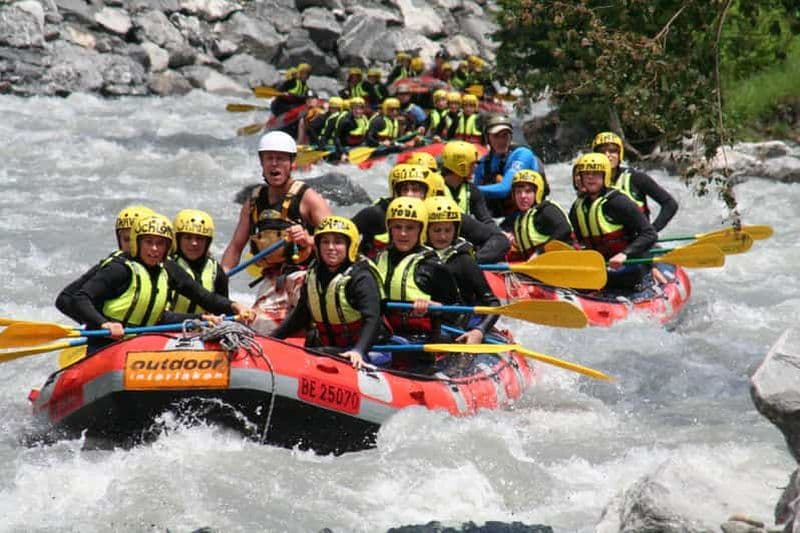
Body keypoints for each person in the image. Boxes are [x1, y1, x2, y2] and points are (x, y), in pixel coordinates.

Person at [68, 214, 253, 355]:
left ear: (168, 247)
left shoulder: (168, 270)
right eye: (148, 242)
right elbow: (80, 297)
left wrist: (234, 306)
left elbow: (203, 296)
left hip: (144, 345)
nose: (154, 249)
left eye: (160, 243)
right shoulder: (120, 269)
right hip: (107, 344)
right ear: (137, 243)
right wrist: (104, 324)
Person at [221, 131, 331, 332]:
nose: (274, 164)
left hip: (306, 277)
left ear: (291, 163)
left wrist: (308, 239)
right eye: (269, 158)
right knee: (255, 326)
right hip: (273, 281)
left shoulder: (309, 198)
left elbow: (339, 241)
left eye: (280, 159)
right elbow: (235, 247)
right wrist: (221, 277)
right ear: (262, 163)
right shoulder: (253, 202)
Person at [272, 216, 390, 369]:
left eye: (338, 242)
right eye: (325, 242)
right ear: (318, 245)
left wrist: (358, 351)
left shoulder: (361, 277)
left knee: (325, 353)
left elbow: (373, 319)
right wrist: (273, 338)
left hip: (367, 349)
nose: (331, 248)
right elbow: (301, 315)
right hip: (330, 347)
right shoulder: (314, 274)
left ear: (350, 245)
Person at [353, 163, 510, 263]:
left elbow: (498, 239)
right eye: (404, 189)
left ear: (427, 193)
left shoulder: (443, 214)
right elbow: (345, 233)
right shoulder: (377, 214)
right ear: (395, 193)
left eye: (416, 190)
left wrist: (473, 261)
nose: (409, 195)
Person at [375, 197, 459, 366]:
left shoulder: (433, 265)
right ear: (389, 228)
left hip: (420, 340)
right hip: (383, 334)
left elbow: (456, 310)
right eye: (397, 227)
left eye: (410, 228)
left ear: (421, 229)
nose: (403, 233)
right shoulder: (378, 258)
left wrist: (435, 308)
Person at [569, 153, 657, 290]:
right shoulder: (578, 207)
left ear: (605, 176)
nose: (590, 177)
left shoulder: (619, 202)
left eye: (596, 173)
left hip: (629, 269)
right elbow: (577, 241)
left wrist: (624, 254)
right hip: (599, 270)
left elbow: (649, 233)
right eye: (586, 174)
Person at [56, 205, 154, 323]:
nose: (131, 245)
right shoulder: (115, 267)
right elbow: (64, 299)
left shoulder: (163, 267)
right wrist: (101, 323)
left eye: (136, 239)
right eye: (126, 239)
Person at [423, 196, 500, 344]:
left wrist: (479, 331)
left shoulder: (464, 261)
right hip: (428, 322)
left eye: (448, 230)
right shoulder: (415, 258)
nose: (443, 236)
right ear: (425, 230)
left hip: (459, 325)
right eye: (437, 230)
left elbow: (493, 304)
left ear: (456, 230)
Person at [592, 131, 678, 232]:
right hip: (607, 240)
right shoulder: (589, 183)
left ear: (620, 154)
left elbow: (670, 204)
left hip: (639, 240)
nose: (607, 155)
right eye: (602, 152)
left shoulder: (637, 178)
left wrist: (652, 230)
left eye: (612, 151)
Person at [473, 114, 546, 218]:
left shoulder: (522, 154)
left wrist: (469, 189)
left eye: (505, 135)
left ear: (510, 137)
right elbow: (474, 196)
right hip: (496, 217)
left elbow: (505, 189)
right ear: (487, 138)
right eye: (496, 136)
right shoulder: (483, 163)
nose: (501, 140)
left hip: (528, 215)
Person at [500, 169, 574, 260]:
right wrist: (504, 235)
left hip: (559, 261)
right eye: (518, 192)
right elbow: (498, 230)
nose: (523, 196)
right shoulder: (516, 217)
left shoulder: (546, 210)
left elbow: (565, 229)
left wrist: (539, 252)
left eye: (528, 191)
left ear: (537, 193)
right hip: (532, 264)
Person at [169, 209, 229, 313]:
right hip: (171, 322)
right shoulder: (167, 266)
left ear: (207, 242)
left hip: (206, 323)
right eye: (188, 238)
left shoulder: (216, 271)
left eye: (200, 239)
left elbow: (223, 309)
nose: (194, 243)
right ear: (177, 240)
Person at [440, 140, 493, 224]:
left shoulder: (473, 190)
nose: (475, 167)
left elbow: (486, 220)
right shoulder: (434, 187)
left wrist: (498, 231)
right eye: (472, 164)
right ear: (461, 167)